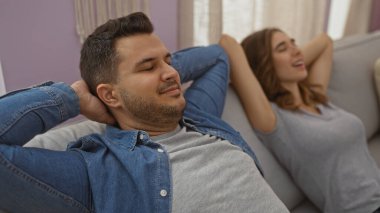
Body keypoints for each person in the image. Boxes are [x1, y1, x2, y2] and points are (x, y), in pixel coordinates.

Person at [0, 13, 290, 213]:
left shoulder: (198, 114)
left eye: (169, 60)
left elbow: (216, 56)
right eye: (148, 66)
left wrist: (160, 69)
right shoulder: (95, 172)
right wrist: (72, 97)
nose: (172, 73)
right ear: (109, 94)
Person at [219, 29, 380, 213]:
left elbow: (325, 41)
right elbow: (227, 43)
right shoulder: (273, 119)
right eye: (282, 48)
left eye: (294, 43)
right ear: (263, 63)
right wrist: (270, 66)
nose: (296, 50)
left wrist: (289, 56)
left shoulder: (316, 95)